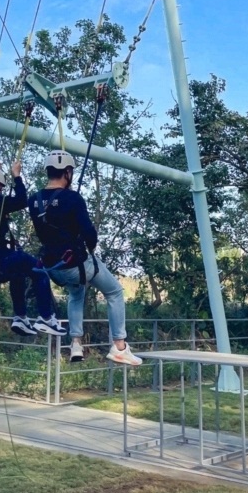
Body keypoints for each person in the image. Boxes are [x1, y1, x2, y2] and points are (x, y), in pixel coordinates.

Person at [27, 150, 142, 366]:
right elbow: (89, 233)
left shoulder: (34, 200)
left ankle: (76, 343)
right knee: (115, 291)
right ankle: (119, 346)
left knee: (76, 293)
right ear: (68, 172)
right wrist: (89, 247)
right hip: (75, 263)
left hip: (52, 267)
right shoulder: (73, 198)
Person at [0, 160, 66, 337]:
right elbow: (22, 200)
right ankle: (47, 318)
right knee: (39, 271)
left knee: (19, 272)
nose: (0, 192)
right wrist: (16, 176)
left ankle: (20, 318)